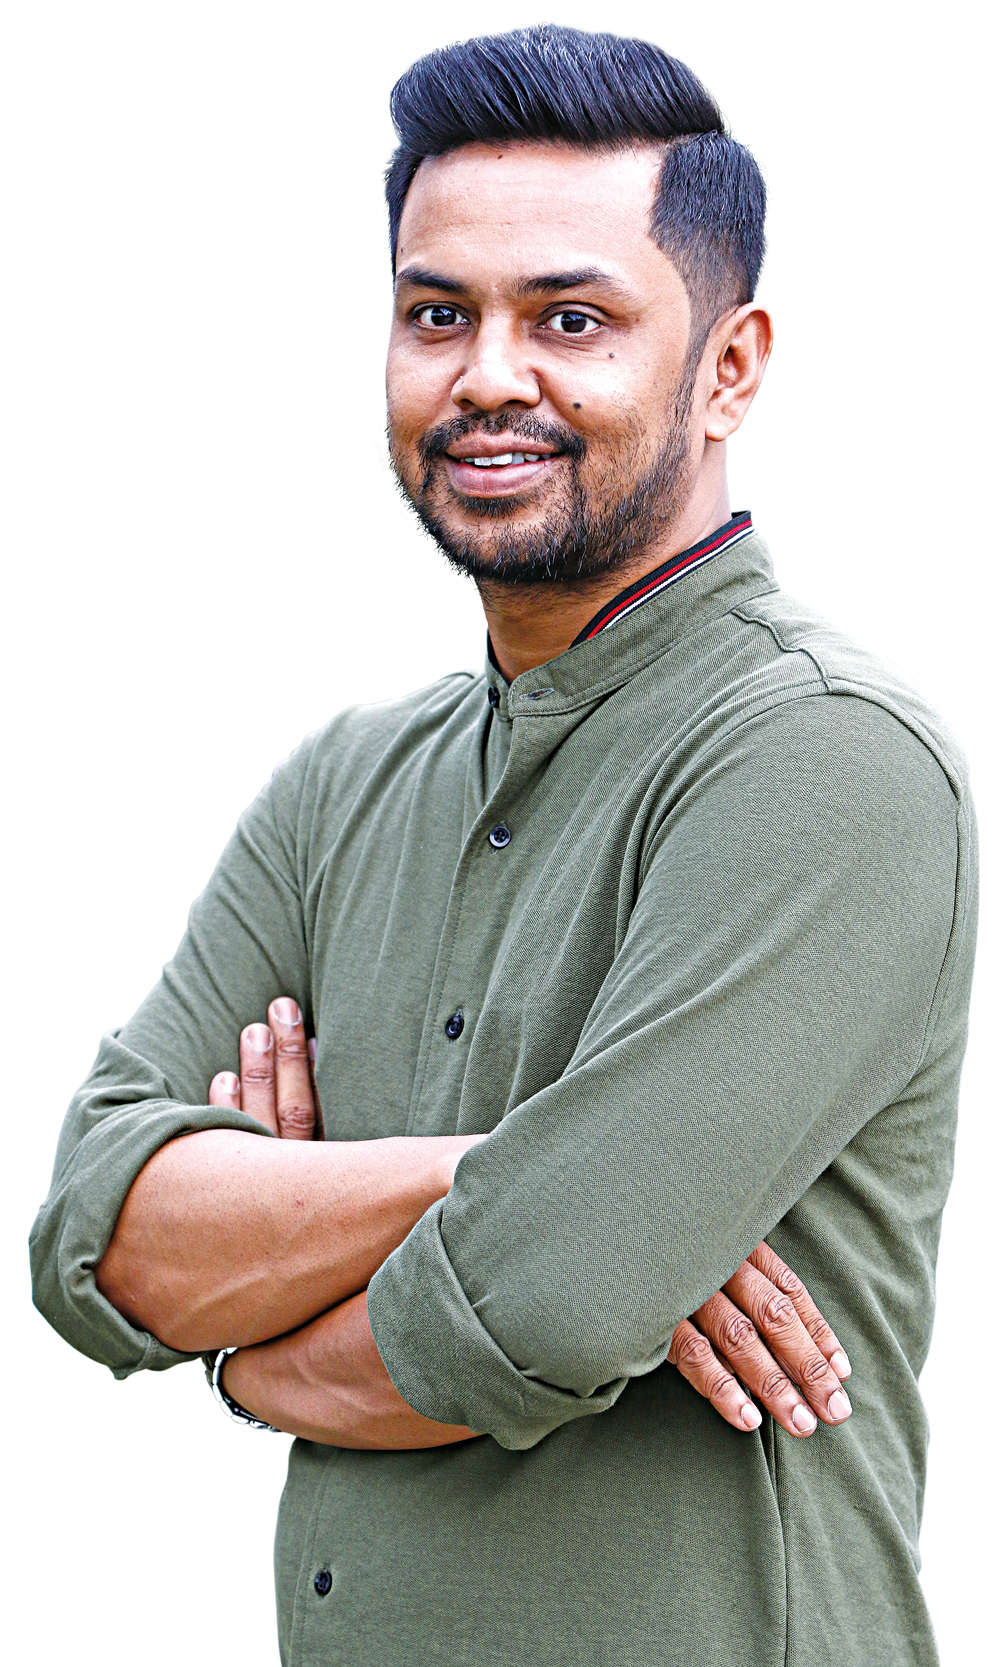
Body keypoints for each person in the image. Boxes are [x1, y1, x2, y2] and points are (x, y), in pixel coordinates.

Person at [29, 25, 978, 1667]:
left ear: (730, 368)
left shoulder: (822, 759)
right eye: (435, 314)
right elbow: (89, 1240)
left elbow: (546, 1304)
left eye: (570, 320)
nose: (485, 375)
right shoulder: (342, 787)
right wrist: (499, 1176)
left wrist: (253, 1344)